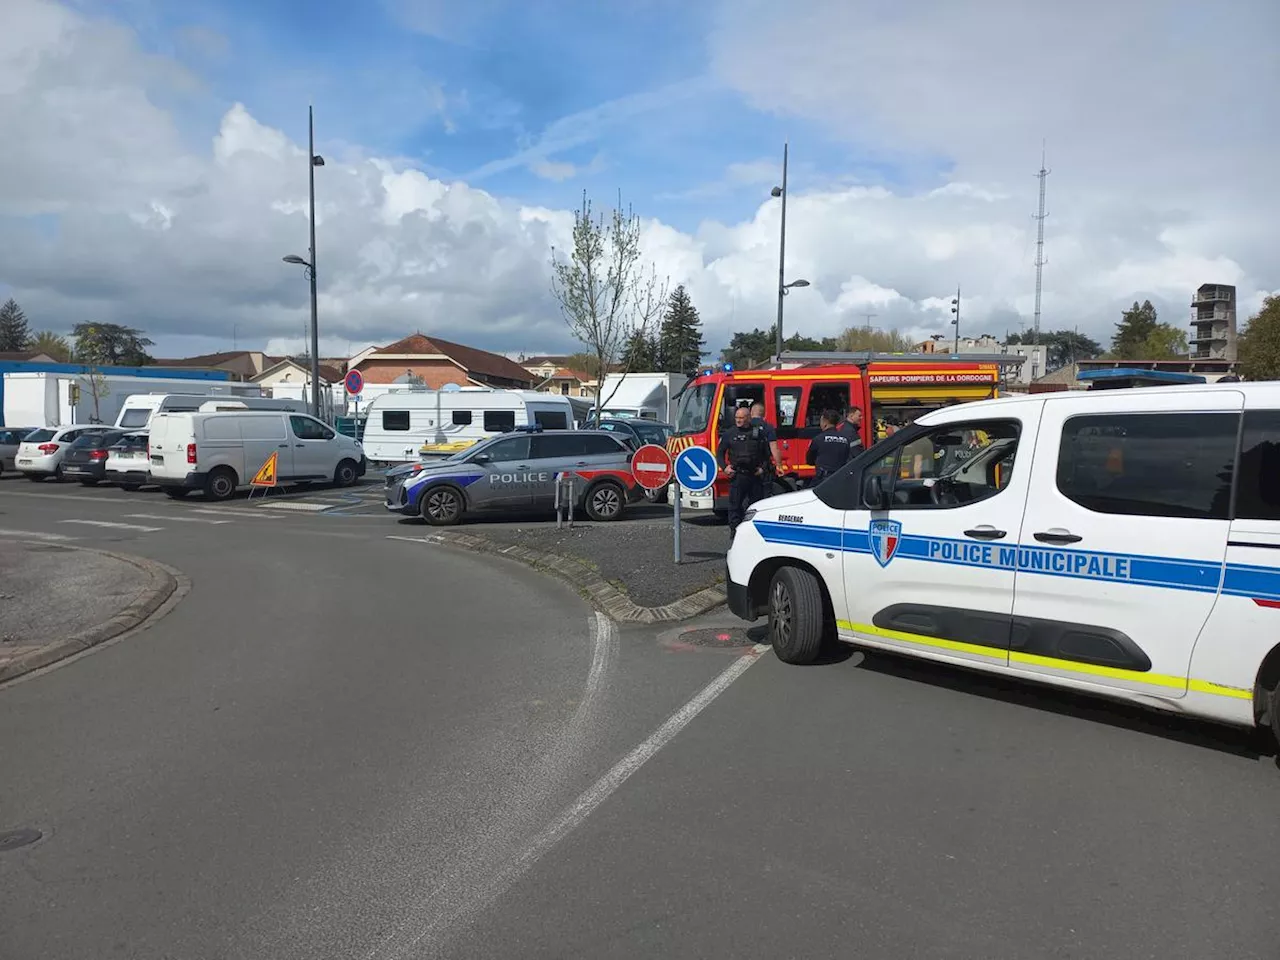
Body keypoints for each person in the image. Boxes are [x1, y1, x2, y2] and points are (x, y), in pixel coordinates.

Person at [718, 406, 770, 538]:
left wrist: (762, 468)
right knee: (735, 505)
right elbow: (719, 452)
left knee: (756, 505)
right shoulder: (730, 433)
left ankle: (753, 531)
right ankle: (735, 531)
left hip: (754, 475)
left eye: (741, 418)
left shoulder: (758, 433)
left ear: (748, 418)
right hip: (738, 475)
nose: (738, 420)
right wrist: (724, 467)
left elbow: (766, 455)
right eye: (736, 418)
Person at [806, 409, 853, 485]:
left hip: (823, 480)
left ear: (825, 422)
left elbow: (809, 460)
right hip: (840, 479)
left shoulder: (818, 439)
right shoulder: (846, 439)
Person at [749, 401, 781, 469]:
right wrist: (779, 465)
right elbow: (774, 449)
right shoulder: (768, 427)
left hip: (746, 465)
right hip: (762, 464)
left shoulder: (744, 426)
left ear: (751, 413)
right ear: (764, 414)